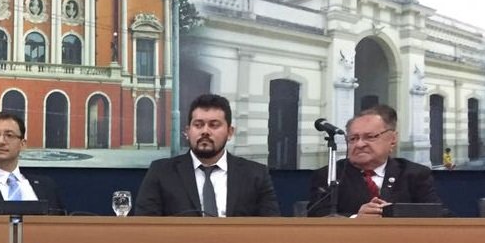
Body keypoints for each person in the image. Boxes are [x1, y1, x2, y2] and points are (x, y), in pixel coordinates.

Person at [133, 94, 279, 217]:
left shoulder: (255, 175)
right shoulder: (161, 172)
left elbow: (271, 228)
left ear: (230, 132)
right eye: (198, 125)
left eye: (214, 125)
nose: (205, 131)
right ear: (187, 132)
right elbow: (145, 226)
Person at [307, 105, 440, 217]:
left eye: (370, 137)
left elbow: (438, 216)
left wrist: (393, 214)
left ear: (393, 139)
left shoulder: (415, 174)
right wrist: (355, 219)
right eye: (353, 139)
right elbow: (315, 217)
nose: (359, 144)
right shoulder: (330, 175)